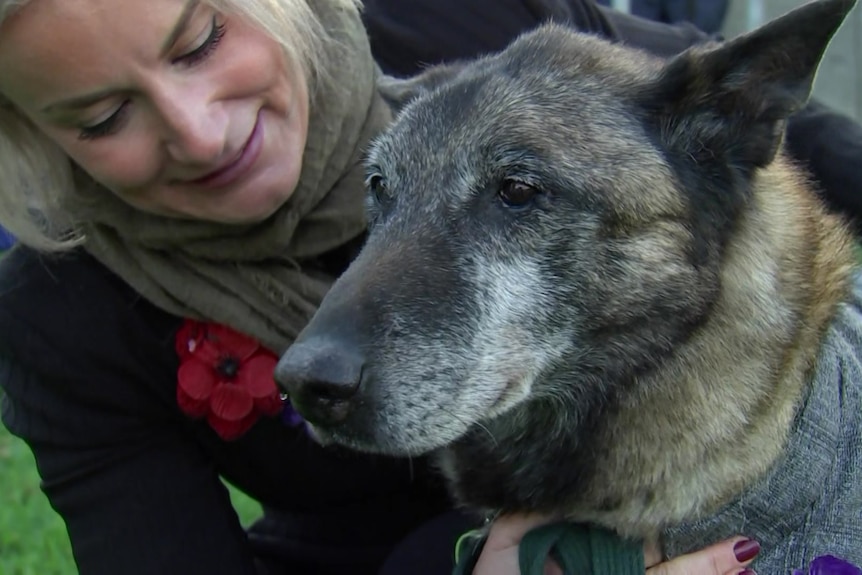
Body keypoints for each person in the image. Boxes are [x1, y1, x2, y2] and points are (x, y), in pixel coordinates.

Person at [0, 1, 858, 574]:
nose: (198, 129)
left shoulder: (470, 19)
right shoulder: (58, 318)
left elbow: (774, 132)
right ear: (36, 138)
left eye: (200, 42)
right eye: (103, 117)